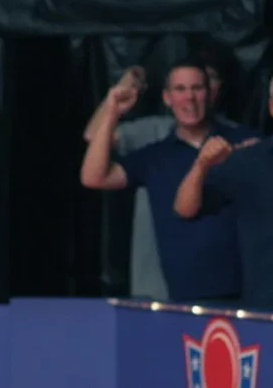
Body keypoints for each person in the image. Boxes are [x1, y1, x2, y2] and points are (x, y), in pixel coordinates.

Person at [80, 57, 258, 304]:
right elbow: (93, 177)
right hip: (183, 295)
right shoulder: (155, 155)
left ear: (210, 94)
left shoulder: (244, 141)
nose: (189, 97)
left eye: (197, 88)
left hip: (250, 291)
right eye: (180, 89)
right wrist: (112, 110)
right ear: (167, 98)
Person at [172, 76, 273, 308]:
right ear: (271, 107)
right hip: (265, 311)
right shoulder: (248, 161)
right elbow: (185, 208)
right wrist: (201, 165)